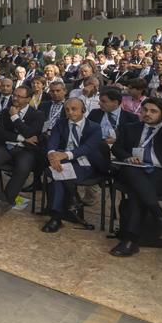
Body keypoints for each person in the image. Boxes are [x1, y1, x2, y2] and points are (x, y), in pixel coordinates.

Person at [108, 98, 162, 257]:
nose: (147, 114)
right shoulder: (130, 127)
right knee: (132, 172)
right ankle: (159, 217)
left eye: (153, 111)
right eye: (145, 110)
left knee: (137, 194)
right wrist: (127, 157)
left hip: (161, 174)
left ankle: (130, 241)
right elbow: (117, 148)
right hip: (134, 169)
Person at [43, 98, 109, 233]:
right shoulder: (61, 123)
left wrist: (65, 155)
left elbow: (87, 148)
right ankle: (70, 201)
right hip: (62, 162)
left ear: (83, 110)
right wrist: (52, 155)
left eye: (74, 109)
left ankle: (56, 217)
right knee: (59, 174)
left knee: (56, 177)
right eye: (67, 109)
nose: (70, 112)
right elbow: (52, 141)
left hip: (86, 163)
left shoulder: (94, 127)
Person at [0, 85, 47, 217]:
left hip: (26, 150)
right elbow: (0, 132)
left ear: (28, 99)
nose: (15, 98)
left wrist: (15, 117)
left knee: (23, 168)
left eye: (19, 96)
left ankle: (7, 200)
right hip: (7, 146)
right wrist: (21, 138)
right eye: (14, 95)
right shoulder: (6, 111)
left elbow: (30, 133)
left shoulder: (38, 115)